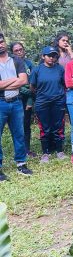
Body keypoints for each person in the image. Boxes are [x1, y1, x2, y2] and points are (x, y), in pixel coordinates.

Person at [0, 33, 31, 181]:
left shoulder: (16, 60)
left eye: (1, 41)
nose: (0, 44)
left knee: (19, 133)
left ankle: (21, 163)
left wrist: (4, 84)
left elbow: (23, 80)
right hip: (0, 103)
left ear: (5, 42)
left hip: (16, 102)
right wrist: (14, 79)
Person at [30, 46, 66, 162]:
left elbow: (64, 84)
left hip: (58, 102)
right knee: (45, 128)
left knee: (58, 127)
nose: (51, 58)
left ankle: (59, 151)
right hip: (42, 102)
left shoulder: (60, 69)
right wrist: (42, 95)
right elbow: (32, 87)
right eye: (49, 56)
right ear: (43, 56)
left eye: (53, 56)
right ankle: (45, 153)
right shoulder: (37, 70)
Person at [10, 41, 35, 157]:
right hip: (15, 98)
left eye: (21, 49)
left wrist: (30, 100)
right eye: (16, 50)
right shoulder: (10, 65)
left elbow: (33, 82)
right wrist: (26, 89)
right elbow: (14, 84)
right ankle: (19, 150)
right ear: (12, 53)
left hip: (28, 99)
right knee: (17, 126)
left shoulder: (29, 64)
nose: (19, 52)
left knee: (26, 124)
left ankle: (27, 149)